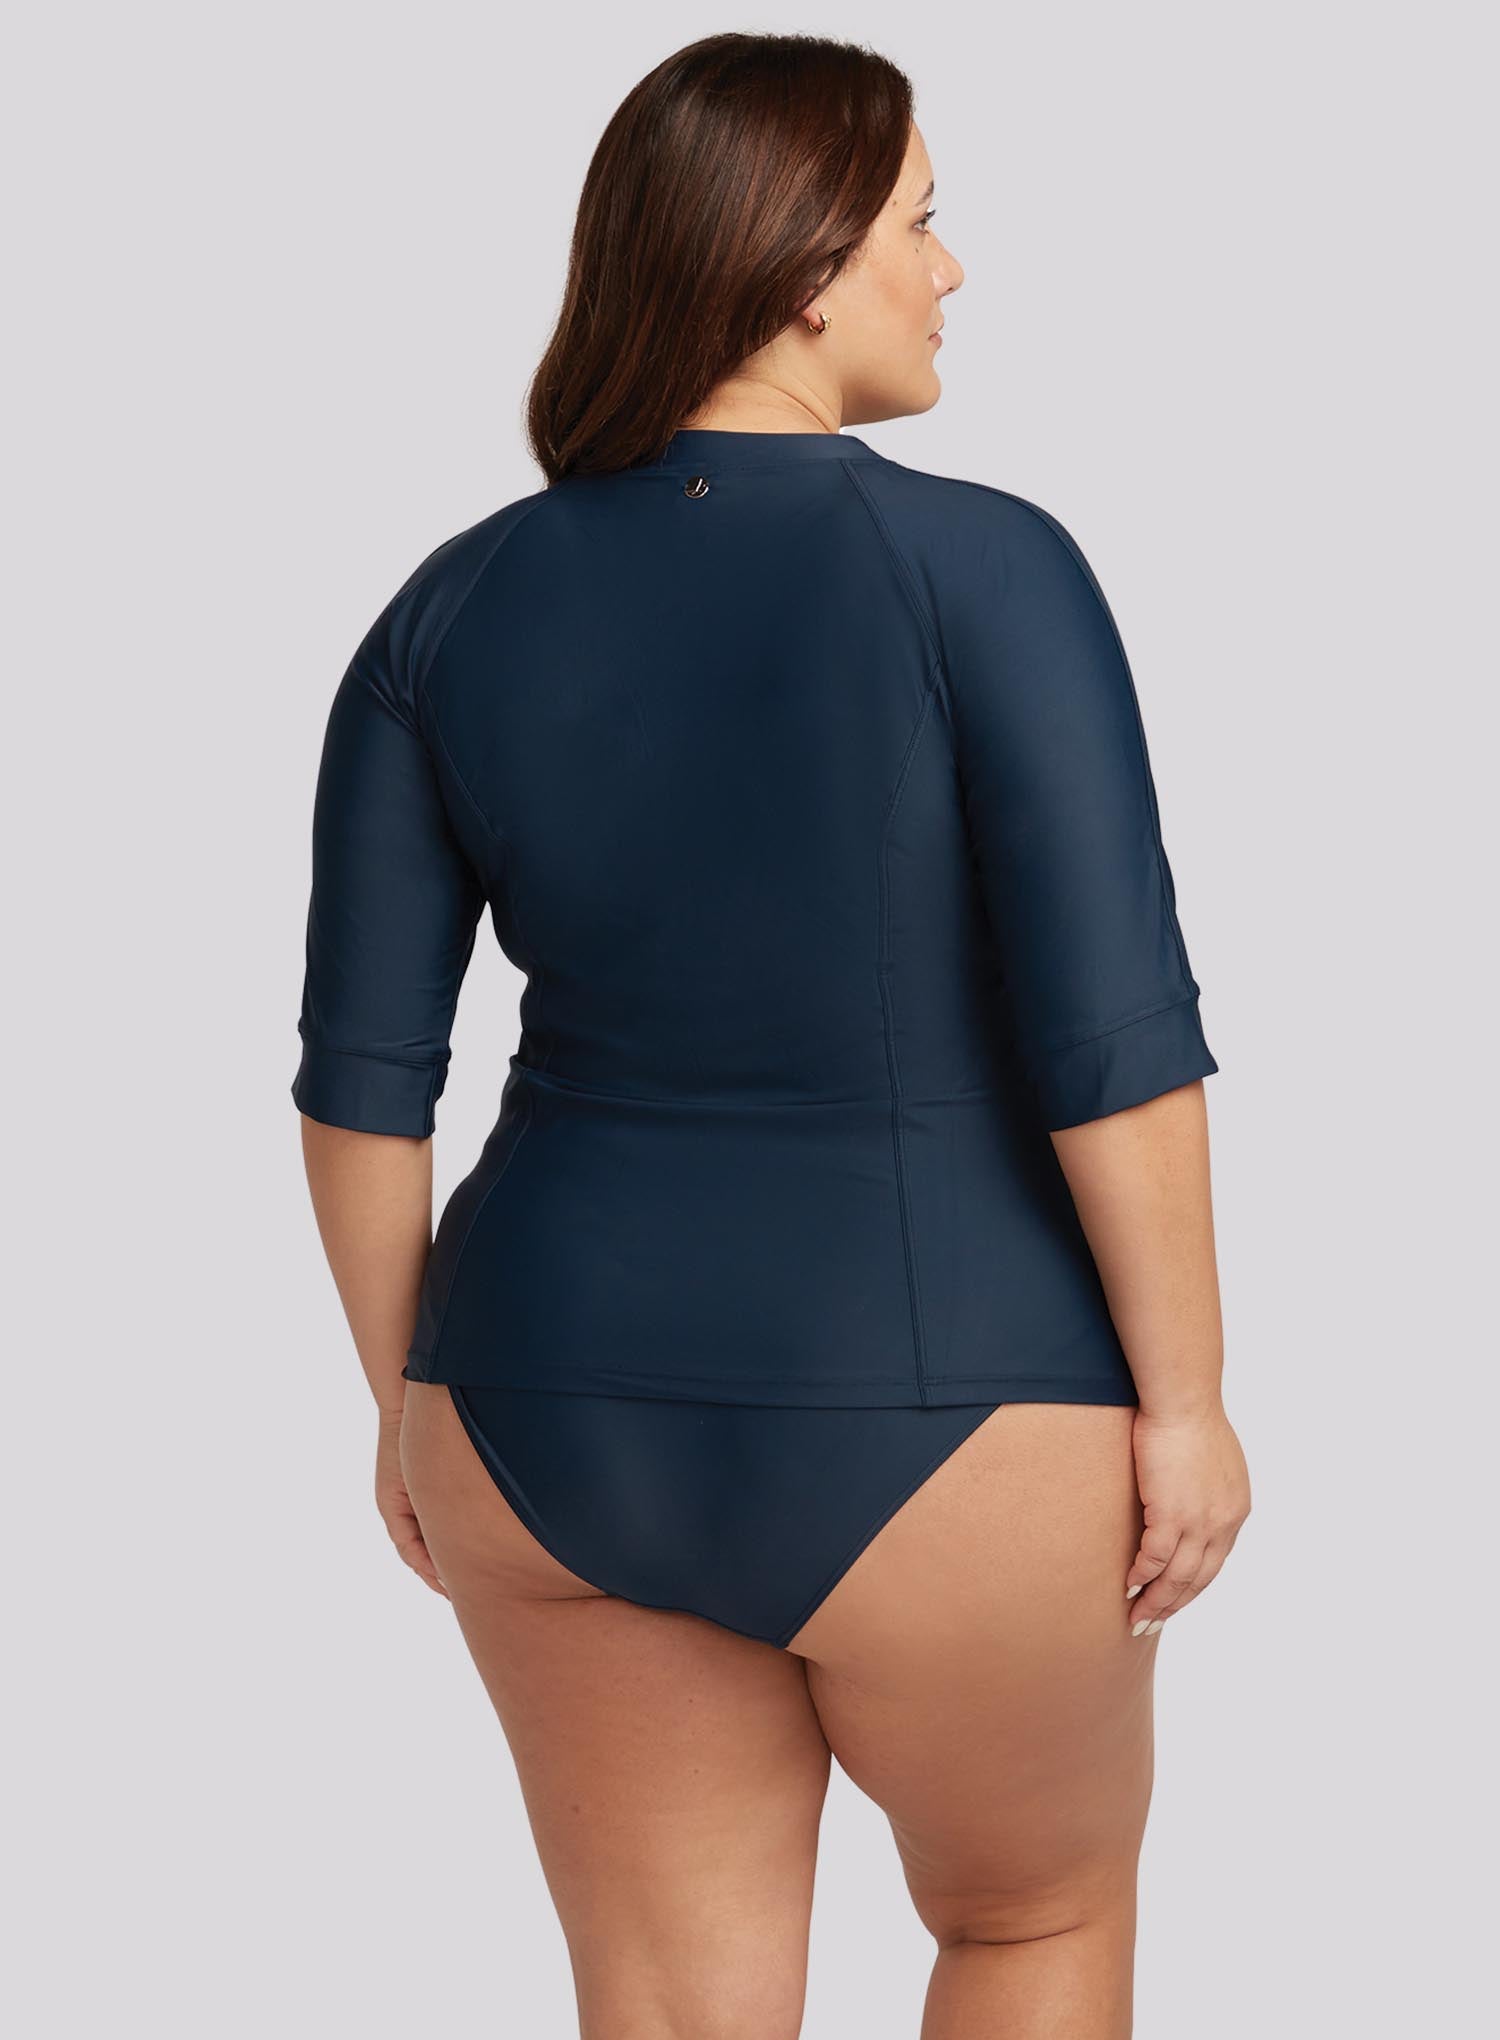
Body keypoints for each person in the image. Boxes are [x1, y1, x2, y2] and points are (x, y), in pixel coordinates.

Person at [291, 30, 1251, 2038]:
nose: (951, 270)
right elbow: (1114, 1044)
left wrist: (404, 1407)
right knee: (1030, 1926)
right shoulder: (986, 567)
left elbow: (367, 1094)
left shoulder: (447, 610)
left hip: (542, 1412)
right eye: (921, 223)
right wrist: (1190, 1401)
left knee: (676, 2016)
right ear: (807, 263)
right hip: (951, 1399)